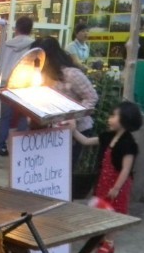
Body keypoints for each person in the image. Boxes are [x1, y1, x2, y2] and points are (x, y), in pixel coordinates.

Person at [69, 101, 141, 253]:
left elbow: (126, 169)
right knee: (103, 208)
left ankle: (109, 242)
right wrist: (73, 131)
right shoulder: (108, 137)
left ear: (125, 120)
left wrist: (116, 188)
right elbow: (86, 141)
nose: (110, 119)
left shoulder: (129, 144)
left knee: (115, 213)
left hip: (118, 184)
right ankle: (102, 236)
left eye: (114, 116)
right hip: (103, 180)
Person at [33, 37, 99, 168]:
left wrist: (74, 117)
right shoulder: (39, 74)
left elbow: (92, 97)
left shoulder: (71, 74)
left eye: (39, 58)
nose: (36, 62)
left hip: (75, 130)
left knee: (64, 168)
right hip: (52, 128)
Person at [0, 16, 35, 156]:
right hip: (25, 85)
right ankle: (20, 146)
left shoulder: (6, 45)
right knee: (24, 115)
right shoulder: (34, 45)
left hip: (6, 84)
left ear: (16, 28)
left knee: (5, 116)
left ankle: (1, 146)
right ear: (31, 29)